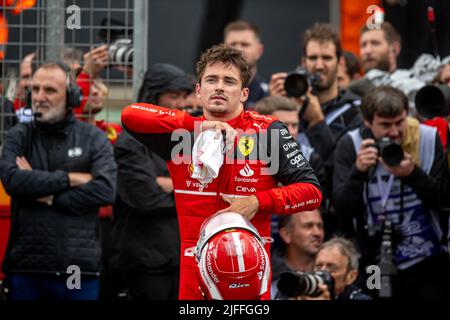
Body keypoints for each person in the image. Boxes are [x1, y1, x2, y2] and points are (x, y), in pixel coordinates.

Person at [121, 44, 322, 300]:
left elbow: (312, 193)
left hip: (250, 281)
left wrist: (257, 202)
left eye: (229, 81)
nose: (219, 87)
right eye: (211, 80)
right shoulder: (182, 133)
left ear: (243, 93)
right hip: (195, 282)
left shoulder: (268, 132)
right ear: (199, 90)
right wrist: (198, 127)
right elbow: (130, 115)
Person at [0, 62, 117, 300]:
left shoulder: (93, 138)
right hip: (26, 267)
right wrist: (70, 178)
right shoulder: (19, 136)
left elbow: (105, 191)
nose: (40, 97)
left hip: (78, 270)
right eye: (36, 89)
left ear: (72, 96)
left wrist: (47, 193)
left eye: (50, 90)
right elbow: (13, 181)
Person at [333, 85, 450, 300]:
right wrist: (358, 173)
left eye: (399, 122)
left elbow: (444, 200)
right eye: (385, 125)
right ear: (368, 122)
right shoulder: (350, 145)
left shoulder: (428, 138)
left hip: (426, 258)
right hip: (373, 260)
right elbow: (341, 211)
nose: (394, 132)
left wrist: (413, 174)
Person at [110, 63, 192, 300]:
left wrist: (167, 184)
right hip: (144, 264)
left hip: (180, 261)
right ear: (152, 98)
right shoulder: (129, 142)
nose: (180, 104)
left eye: (183, 97)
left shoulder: (183, 141)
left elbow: (205, 185)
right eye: (173, 96)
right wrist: (189, 190)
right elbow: (148, 199)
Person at [271, 209, 324, 299]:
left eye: (320, 226)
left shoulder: (334, 271)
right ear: (286, 234)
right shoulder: (268, 277)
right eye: (308, 226)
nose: (317, 233)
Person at [224, 20, 268, 110]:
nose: (238, 49)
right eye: (232, 44)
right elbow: (196, 124)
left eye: (245, 45)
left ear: (259, 51)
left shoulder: (268, 94)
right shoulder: (207, 91)